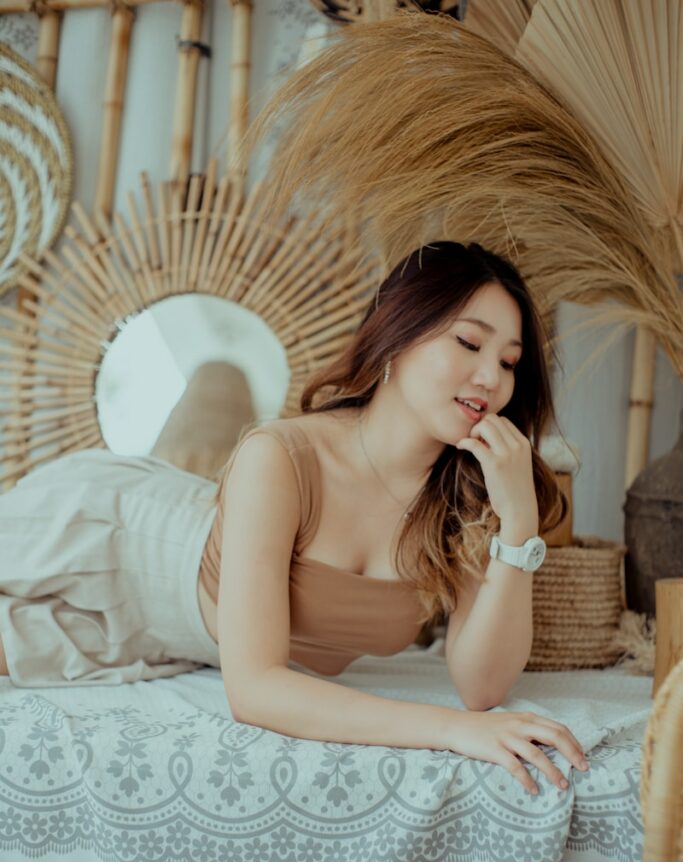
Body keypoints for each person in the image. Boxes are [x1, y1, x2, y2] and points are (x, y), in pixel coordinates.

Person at [0, 240, 588, 794]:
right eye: (468, 343)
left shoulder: (465, 493)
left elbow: (481, 687)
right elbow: (254, 690)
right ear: (397, 335)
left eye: (509, 362)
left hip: (177, 645)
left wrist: (519, 522)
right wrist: (449, 730)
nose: (491, 378)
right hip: (105, 548)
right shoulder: (280, 457)